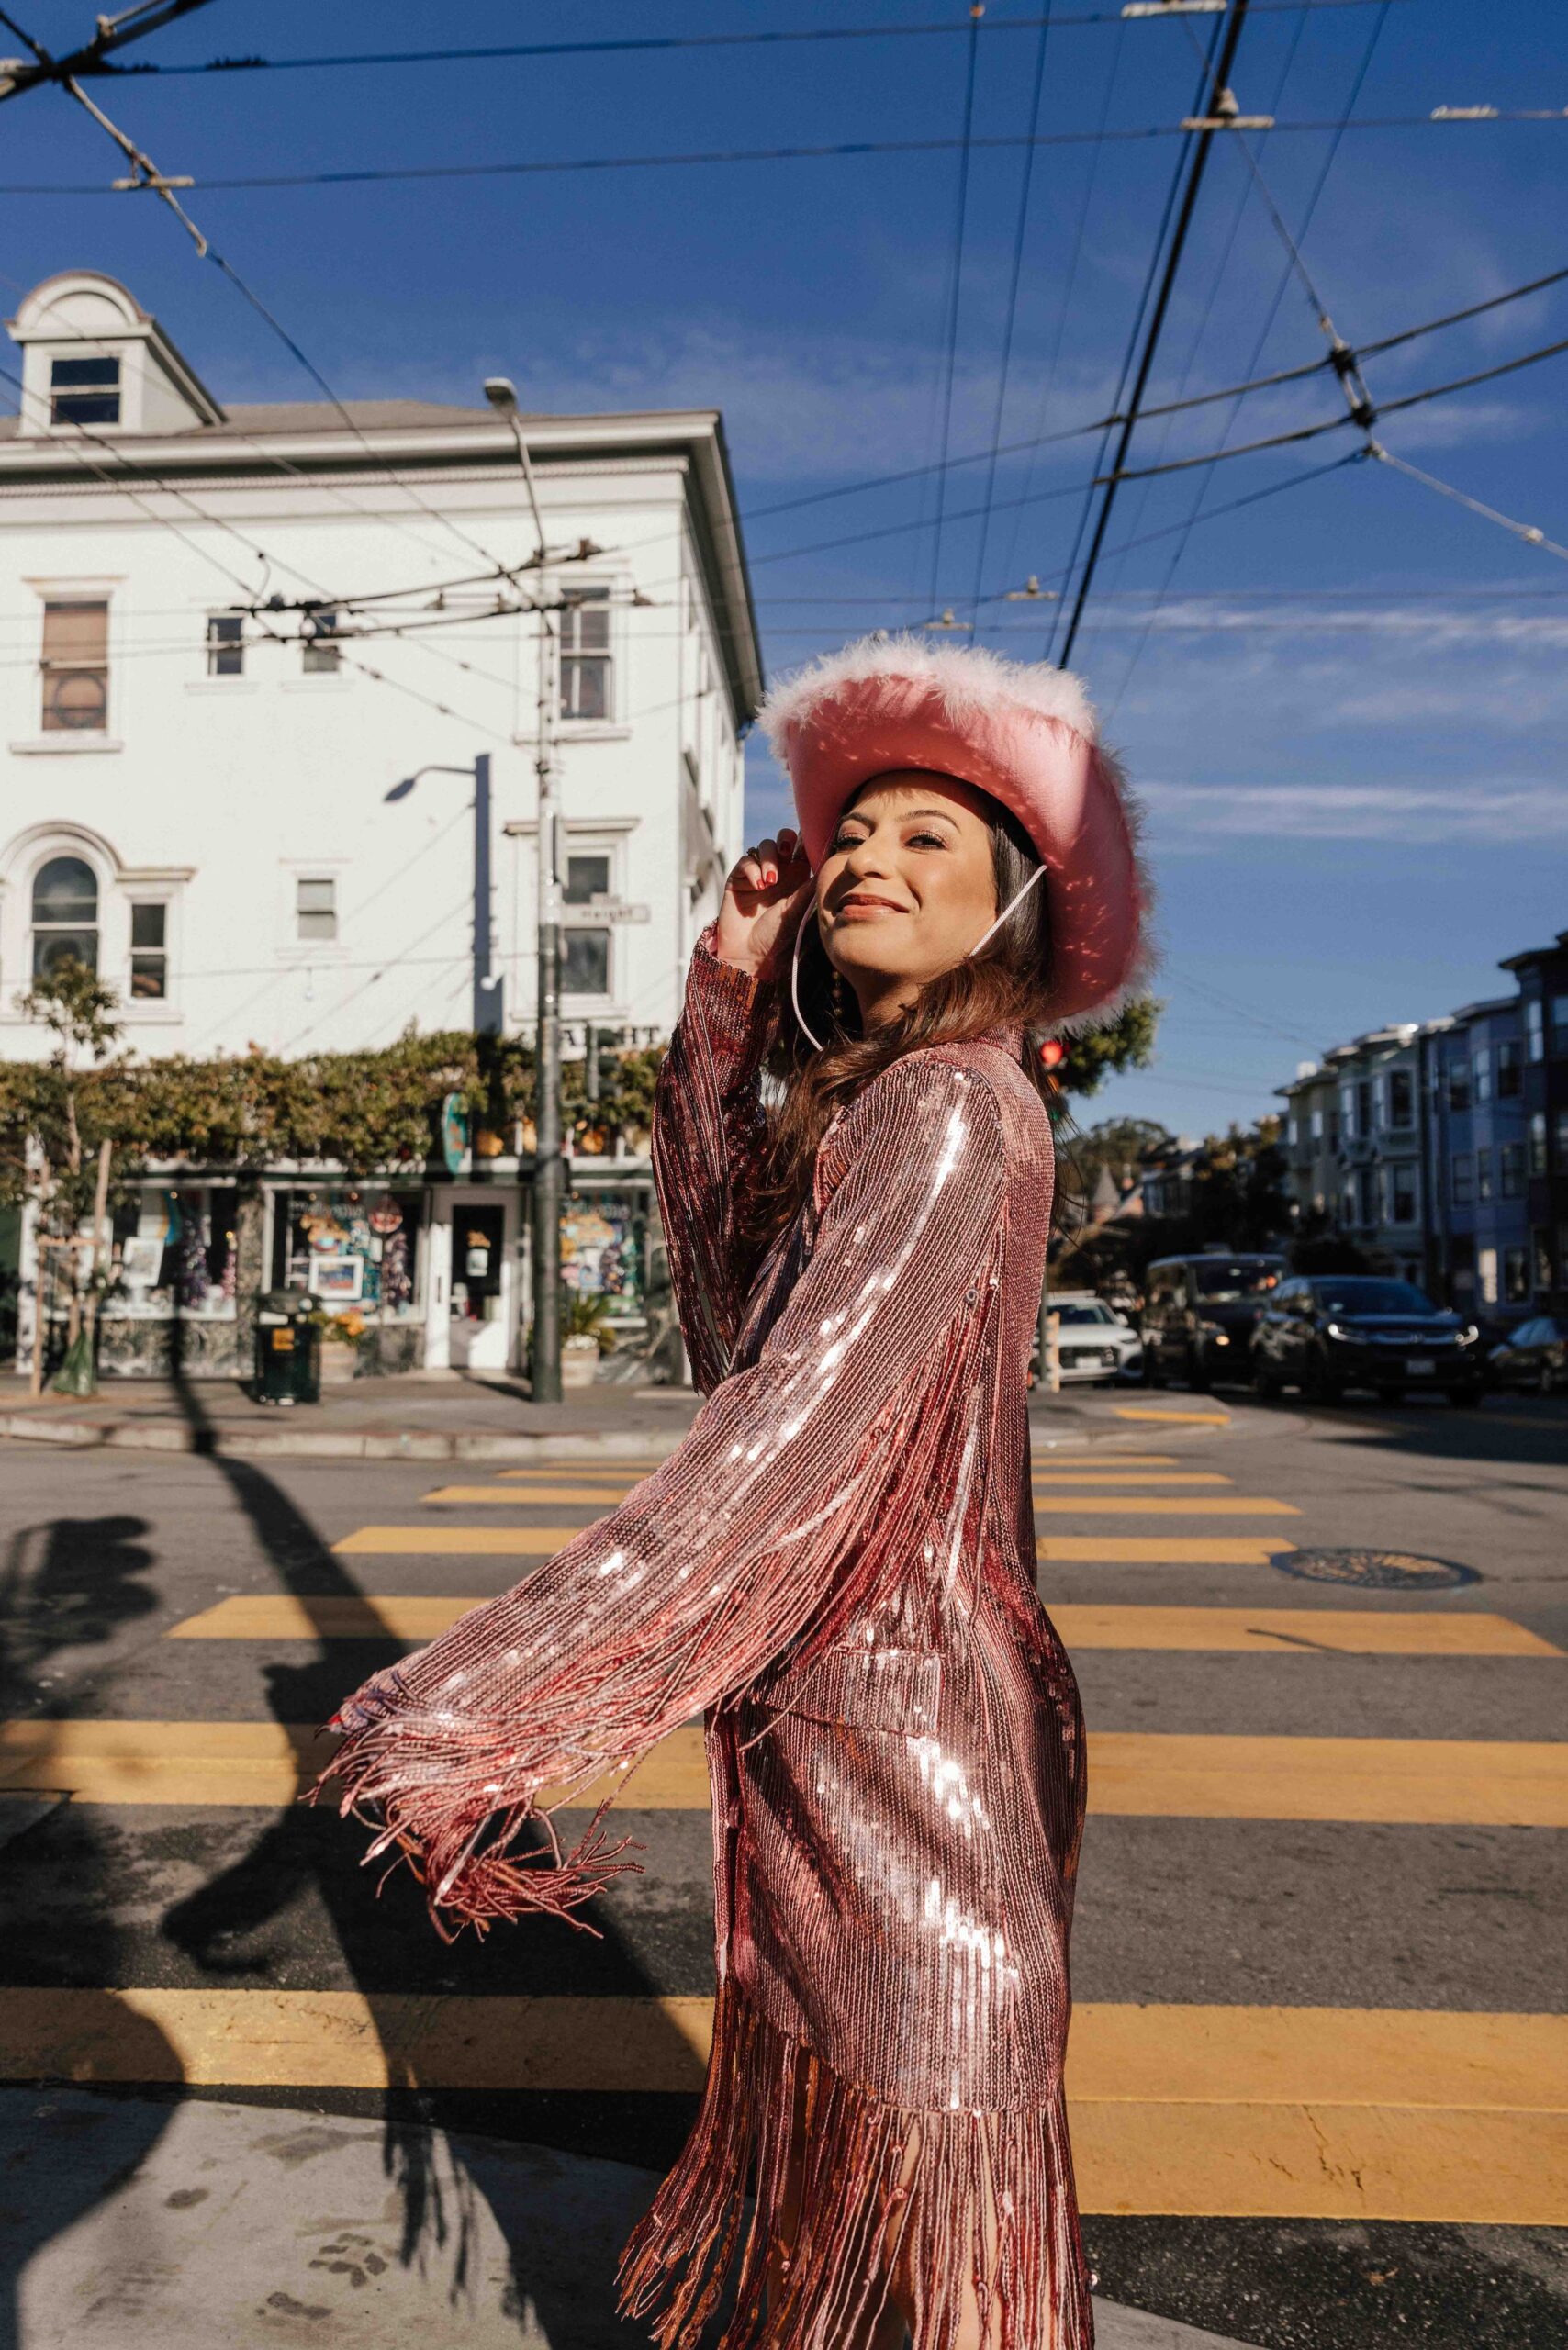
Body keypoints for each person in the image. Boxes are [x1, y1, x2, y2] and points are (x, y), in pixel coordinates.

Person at [322, 634, 1147, 2350]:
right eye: (856, 835)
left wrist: (483, 1697)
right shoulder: (887, 1106)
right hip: (842, 1741)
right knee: (848, 2212)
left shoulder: (950, 1109)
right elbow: (728, 1308)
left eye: (930, 839)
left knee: (930, 2225)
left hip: (917, 1762)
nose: (866, 858)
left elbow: (782, 1445)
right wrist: (719, 1001)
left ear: (1010, 907)